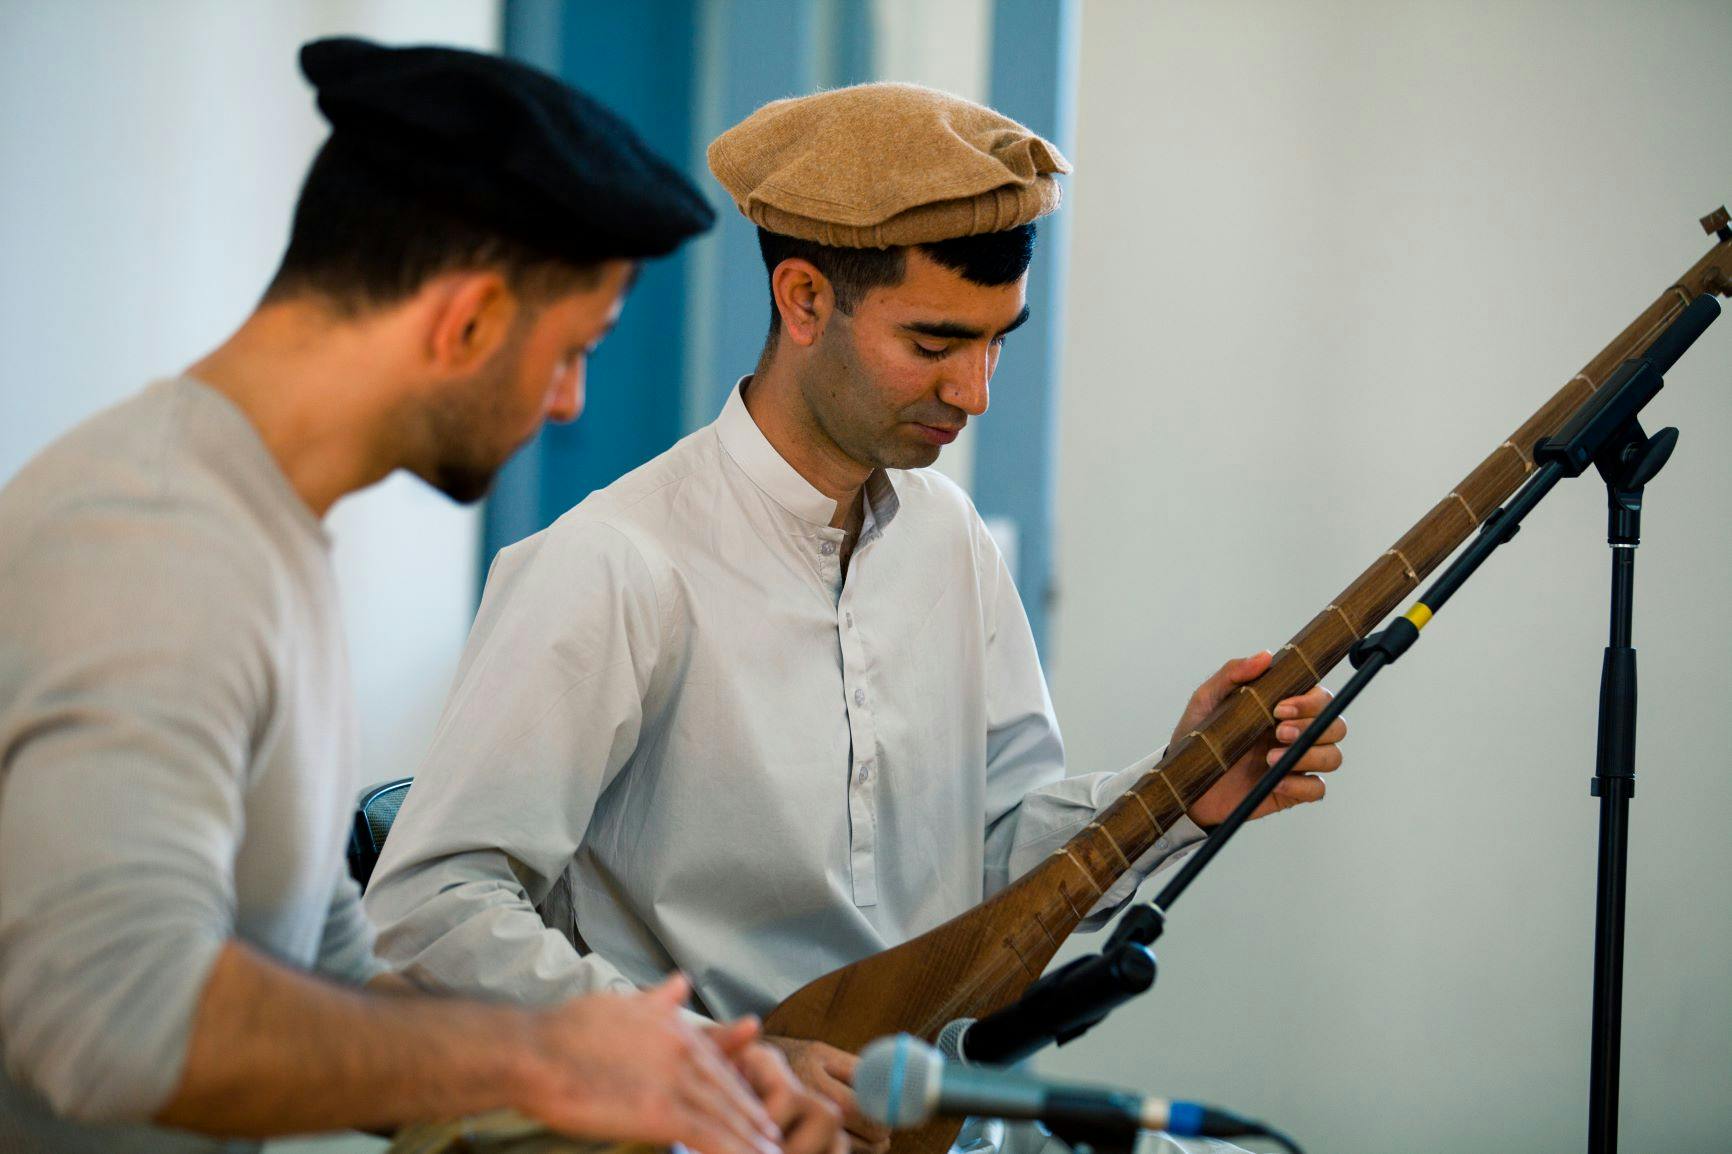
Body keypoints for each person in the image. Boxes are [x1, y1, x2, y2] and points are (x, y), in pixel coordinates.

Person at [362, 83, 1346, 1152]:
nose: (972, 390)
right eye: (932, 341)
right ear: (801, 299)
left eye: (996, 341)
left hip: (943, 1122)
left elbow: (992, 857)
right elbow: (433, 905)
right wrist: (707, 1055)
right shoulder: (611, 563)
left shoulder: (951, 542)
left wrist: (1177, 792)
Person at [0, 38, 839, 1154]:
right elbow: (115, 1021)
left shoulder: (266, 531)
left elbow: (328, 977)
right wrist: (543, 1055)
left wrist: (663, 1064)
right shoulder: (155, 543)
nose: (571, 403)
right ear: (468, 321)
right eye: (570, 352)